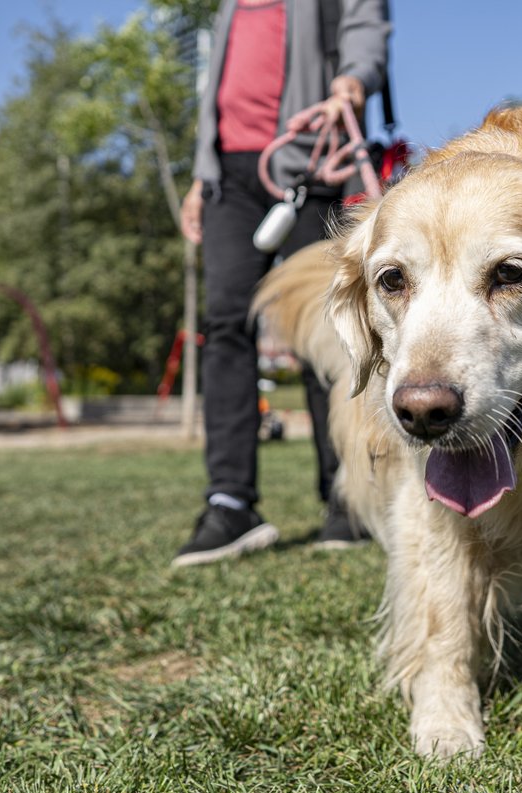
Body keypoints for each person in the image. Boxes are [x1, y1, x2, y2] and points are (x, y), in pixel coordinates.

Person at [172, 0, 391, 567]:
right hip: (229, 179)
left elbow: (367, 31)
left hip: (314, 166)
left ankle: (347, 497)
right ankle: (230, 504)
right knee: (225, 324)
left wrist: (352, 83)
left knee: (327, 332)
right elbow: (220, 86)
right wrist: (202, 175)